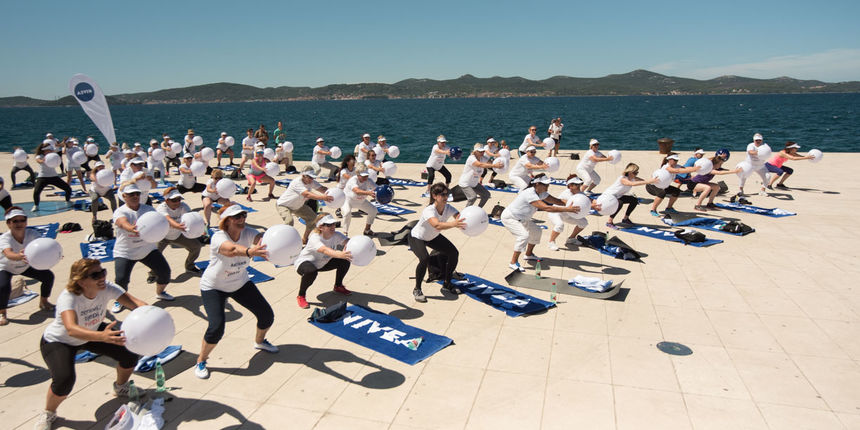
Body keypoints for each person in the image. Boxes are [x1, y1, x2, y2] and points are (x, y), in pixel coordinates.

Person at [33, 258, 147, 430]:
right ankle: (48, 413)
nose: (101, 277)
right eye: (95, 275)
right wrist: (102, 337)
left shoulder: (106, 287)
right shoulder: (69, 297)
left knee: (129, 354)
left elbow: (136, 304)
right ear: (80, 281)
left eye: (103, 271)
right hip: (60, 340)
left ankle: (120, 386)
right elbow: (71, 329)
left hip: (93, 330)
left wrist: (152, 315)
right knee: (64, 380)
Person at [195, 204, 277, 379]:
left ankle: (259, 342)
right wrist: (249, 251)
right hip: (214, 287)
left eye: (243, 215)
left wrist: (271, 242)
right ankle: (201, 360)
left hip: (239, 283)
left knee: (266, 315)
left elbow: (260, 239)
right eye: (236, 216)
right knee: (216, 327)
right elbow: (231, 250)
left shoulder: (248, 232)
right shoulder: (218, 236)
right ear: (227, 220)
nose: (241, 219)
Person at [111, 183, 173, 312]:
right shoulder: (120, 211)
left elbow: (158, 223)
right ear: (124, 196)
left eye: (137, 194)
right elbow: (121, 222)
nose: (135, 196)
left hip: (147, 249)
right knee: (121, 279)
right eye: (131, 194)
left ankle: (160, 293)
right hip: (125, 252)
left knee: (165, 272)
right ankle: (120, 301)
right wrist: (131, 228)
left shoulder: (148, 209)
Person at [501, 176, 579, 271]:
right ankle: (513, 263)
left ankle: (528, 255)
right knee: (523, 236)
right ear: (537, 184)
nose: (547, 186)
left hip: (523, 218)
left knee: (537, 231)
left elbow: (558, 201)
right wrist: (568, 209)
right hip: (511, 217)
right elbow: (547, 208)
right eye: (545, 184)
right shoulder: (530, 193)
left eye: (548, 184)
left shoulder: (541, 193)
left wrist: (577, 204)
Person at [408, 183, 465, 302]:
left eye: (447, 194)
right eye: (443, 194)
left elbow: (459, 216)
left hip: (432, 237)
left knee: (453, 253)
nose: (446, 196)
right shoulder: (429, 210)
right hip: (417, 237)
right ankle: (417, 289)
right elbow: (437, 224)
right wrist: (454, 224)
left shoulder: (448, 208)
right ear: (434, 196)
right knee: (424, 259)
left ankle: (447, 283)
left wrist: (466, 221)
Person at [0, 207, 55, 326]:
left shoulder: (33, 234)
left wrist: (54, 254)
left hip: (24, 265)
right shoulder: (5, 238)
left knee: (48, 276)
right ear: (9, 224)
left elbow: (43, 248)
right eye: (15, 221)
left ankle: (44, 302)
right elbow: (8, 254)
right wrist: (19, 256)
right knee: (3, 286)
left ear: (26, 222)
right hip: (6, 267)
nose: (19, 223)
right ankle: (2, 312)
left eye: (22, 220)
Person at [294, 214, 353, 308]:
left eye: (333, 224)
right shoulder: (315, 238)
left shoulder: (336, 234)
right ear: (321, 227)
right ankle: (301, 295)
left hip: (323, 263)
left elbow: (349, 242)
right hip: (304, 263)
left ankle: (338, 286)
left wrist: (352, 245)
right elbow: (324, 250)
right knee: (311, 272)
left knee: (345, 260)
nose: (333, 226)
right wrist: (340, 254)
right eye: (329, 225)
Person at [147, 187, 203, 280]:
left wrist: (200, 227)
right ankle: (153, 273)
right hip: (162, 236)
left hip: (178, 235)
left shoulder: (183, 206)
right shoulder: (161, 208)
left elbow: (191, 217)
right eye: (174, 200)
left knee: (196, 246)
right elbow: (168, 220)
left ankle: (190, 266)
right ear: (166, 200)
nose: (177, 202)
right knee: (154, 255)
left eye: (179, 199)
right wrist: (177, 226)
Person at [277, 168, 332, 243]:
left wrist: (333, 193)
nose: (311, 179)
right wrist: (323, 197)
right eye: (309, 177)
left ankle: (305, 239)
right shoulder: (297, 182)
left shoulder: (311, 181)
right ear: (303, 176)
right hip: (283, 205)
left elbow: (322, 189)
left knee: (313, 219)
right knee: (289, 221)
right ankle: (283, 241)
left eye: (312, 177)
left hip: (298, 206)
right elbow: (307, 194)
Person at [547, 176, 599, 250]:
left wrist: (597, 203)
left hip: (568, 214)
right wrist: (591, 206)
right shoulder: (566, 193)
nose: (579, 186)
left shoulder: (580, 193)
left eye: (579, 184)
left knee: (583, 222)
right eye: (576, 185)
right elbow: (575, 205)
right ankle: (551, 242)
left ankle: (571, 239)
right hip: (556, 213)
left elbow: (588, 200)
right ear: (570, 186)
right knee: (559, 225)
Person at [604, 163, 658, 228]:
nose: (636, 174)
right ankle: (609, 222)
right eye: (635, 173)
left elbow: (643, 181)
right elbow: (632, 184)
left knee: (634, 200)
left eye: (637, 172)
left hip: (617, 196)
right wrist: (648, 182)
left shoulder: (632, 178)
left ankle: (625, 219)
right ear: (630, 172)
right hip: (608, 197)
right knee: (619, 203)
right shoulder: (623, 179)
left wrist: (652, 181)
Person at [32, 142, 72, 212]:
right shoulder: (40, 156)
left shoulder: (53, 155)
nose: (51, 151)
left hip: (53, 176)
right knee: (36, 192)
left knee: (68, 188)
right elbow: (38, 160)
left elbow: (58, 159)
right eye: (49, 150)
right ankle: (36, 206)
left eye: (51, 150)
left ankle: (68, 201)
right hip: (43, 177)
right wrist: (42, 161)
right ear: (44, 150)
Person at [342, 171, 378, 236]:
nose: (365, 178)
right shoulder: (352, 180)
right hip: (348, 200)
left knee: (373, 210)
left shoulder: (369, 180)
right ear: (358, 175)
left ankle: (367, 230)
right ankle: (345, 233)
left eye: (366, 175)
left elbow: (377, 189)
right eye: (363, 176)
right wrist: (369, 193)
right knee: (347, 213)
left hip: (361, 201)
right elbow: (357, 191)